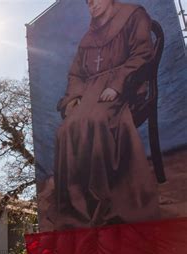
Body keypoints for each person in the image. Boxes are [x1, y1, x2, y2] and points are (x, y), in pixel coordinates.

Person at [52, 0, 160, 230]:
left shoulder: (134, 15)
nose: (91, 4)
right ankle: (78, 202)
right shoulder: (88, 37)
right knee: (64, 131)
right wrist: (74, 98)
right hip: (90, 94)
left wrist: (118, 84)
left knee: (96, 121)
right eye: (87, 1)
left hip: (125, 89)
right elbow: (76, 74)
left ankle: (103, 195)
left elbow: (142, 54)